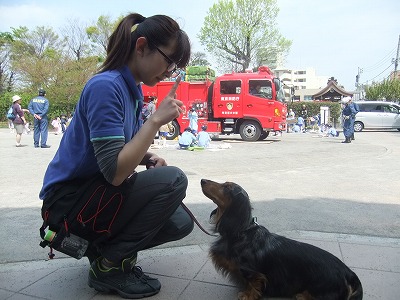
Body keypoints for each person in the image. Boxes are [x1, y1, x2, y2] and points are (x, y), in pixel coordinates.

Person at [38, 13, 193, 299]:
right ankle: (109, 266)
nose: (170, 72)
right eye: (169, 61)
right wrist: (155, 121)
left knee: (180, 222)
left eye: (175, 67)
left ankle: (101, 252)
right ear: (142, 46)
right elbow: (115, 172)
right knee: (174, 180)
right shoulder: (106, 87)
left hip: (94, 194)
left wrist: (146, 157)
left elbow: (118, 149)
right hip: (68, 202)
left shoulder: (130, 89)